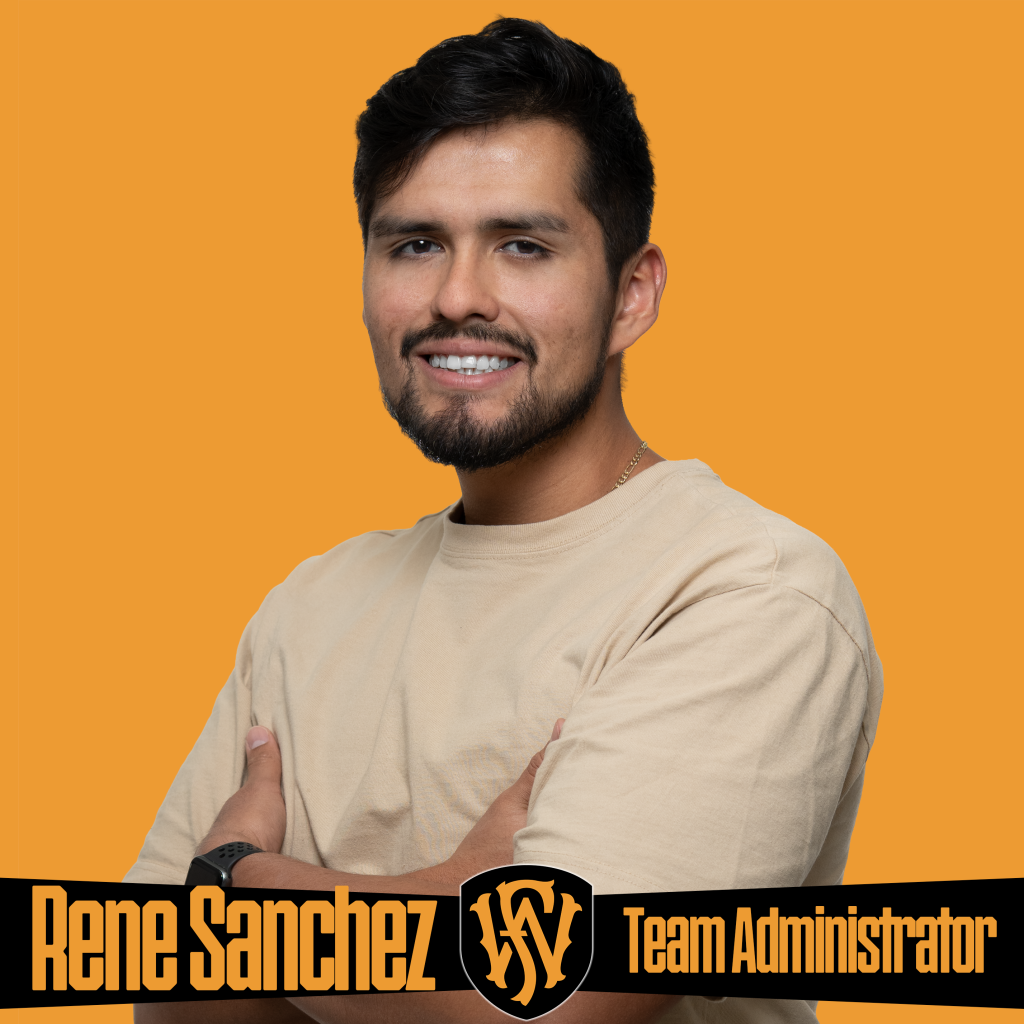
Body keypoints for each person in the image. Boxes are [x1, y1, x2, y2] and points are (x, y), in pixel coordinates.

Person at [128, 18, 882, 1023]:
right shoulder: (308, 608)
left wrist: (238, 880)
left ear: (630, 293)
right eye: (414, 243)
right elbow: (155, 992)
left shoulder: (742, 588)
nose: (457, 296)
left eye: (523, 245)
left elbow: (534, 1005)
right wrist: (428, 911)